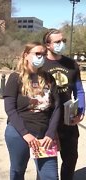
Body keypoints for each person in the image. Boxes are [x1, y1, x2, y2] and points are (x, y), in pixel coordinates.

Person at [3, 42, 60, 179]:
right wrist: (25, 134)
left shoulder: (49, 78)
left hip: (44, 135)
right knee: (18, 170)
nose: (41, 57)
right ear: (26, 55)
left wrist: (51, 133)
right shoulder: (15, 78)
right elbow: (10, 109)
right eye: (37, 54)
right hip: (19, 132)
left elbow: (57, 107)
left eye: (44, 54)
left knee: (50, 176)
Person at [42, 28, 85, 180]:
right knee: (46, 162)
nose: (62, 44)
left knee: (71, 159)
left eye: (63, 41)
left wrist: (80, 111)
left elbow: (79, 90)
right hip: (46, 120)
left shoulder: (71, 63)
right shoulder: (40, 64)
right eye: (57, 42)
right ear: (47, 45)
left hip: (68, 118)